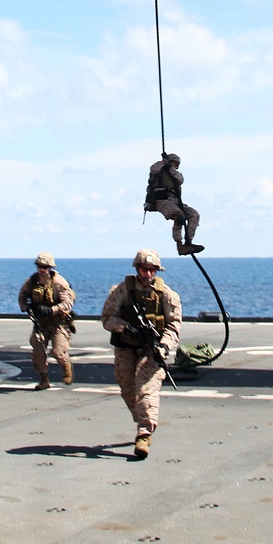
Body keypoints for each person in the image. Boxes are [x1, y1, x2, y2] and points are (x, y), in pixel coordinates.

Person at [101, 247, 182, 459]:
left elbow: (174, 326)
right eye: (144, 269)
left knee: (146, 388)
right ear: (137, 268)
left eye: (152, 270)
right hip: (127, 345)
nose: (147, 274)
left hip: (153, 349)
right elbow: (107, 318)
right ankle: (142, 419)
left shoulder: (167, 295)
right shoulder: (122, 290)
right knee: (128, 388)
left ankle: (144, 434)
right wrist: (125, 328)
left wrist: (164, 346)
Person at [17, 252, 76, 390]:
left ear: (50, 267)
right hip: (41, 323)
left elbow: (68, 302)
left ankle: (66, 364)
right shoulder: (32, 281)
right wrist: (26, 307)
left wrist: (52, 310)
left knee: (58, 352)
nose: (41, 270)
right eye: (39, 266)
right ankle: (44, 380)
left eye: (44, 267)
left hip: (58, 322)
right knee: (37, 350)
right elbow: (22, 295)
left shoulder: (59, 283)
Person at [144, 152, 203, 255]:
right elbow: (153, 169)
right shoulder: (158, 169)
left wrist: (170, 169)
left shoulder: (174, 173)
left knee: (194, 215)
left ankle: (188, 242)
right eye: (174, 163)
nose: (176, 166)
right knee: (179, 216)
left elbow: (180, 180)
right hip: (163, 200)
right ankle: (180, 245)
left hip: (175, 201)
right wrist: (163, 163)